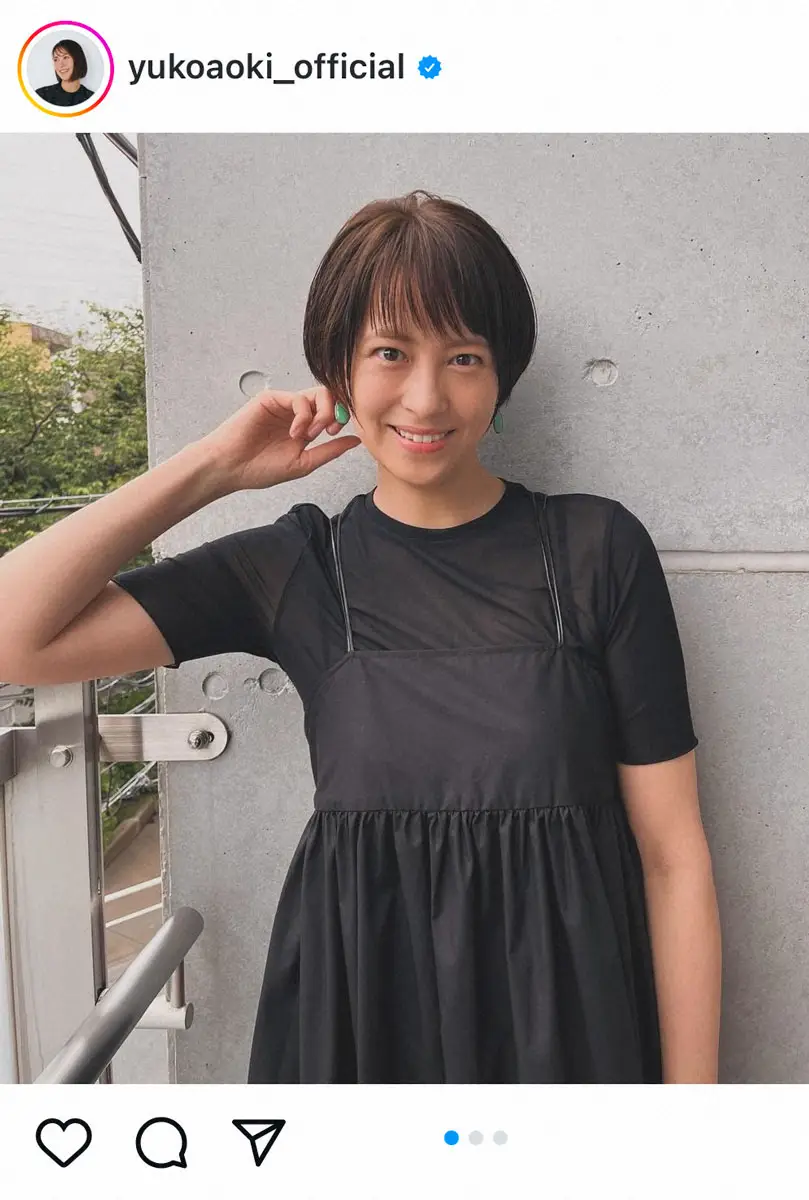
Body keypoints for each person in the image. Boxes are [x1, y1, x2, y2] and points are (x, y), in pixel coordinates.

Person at [0, 191, 721, 1083]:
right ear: (335, 368)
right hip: (363, 1027)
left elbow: (673, 858)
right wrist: (212, 469)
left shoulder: (596, 549)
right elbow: (15, 637)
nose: (426, 396)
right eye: (390, 352)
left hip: (566, 1030)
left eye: (464, 357)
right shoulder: (294, 566)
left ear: (502, 375)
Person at [36, 39, 95, 107]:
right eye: (56, 59)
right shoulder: (41, 96)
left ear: (78, 60)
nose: (60, 65)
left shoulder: (92, 99)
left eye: (66, 57)